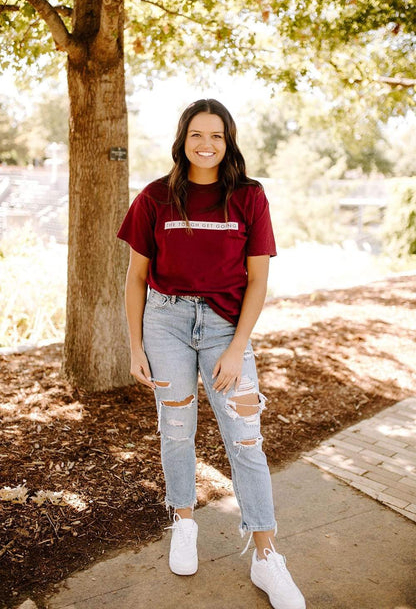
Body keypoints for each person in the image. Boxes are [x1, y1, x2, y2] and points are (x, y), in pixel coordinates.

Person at [117, 99, 305, 609]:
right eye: (196, 134)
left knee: (245, 439)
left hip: (227, 327)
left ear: (229, 141)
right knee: (176, 430)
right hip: (165, 322)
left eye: (216, 136)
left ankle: (267, 557)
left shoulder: (248, 196)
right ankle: (184, 521)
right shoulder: (155, 197)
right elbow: (136, 277)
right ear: (182, 139)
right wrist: (134, 344)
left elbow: (259, 279)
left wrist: (237, 347)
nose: (206, 144)